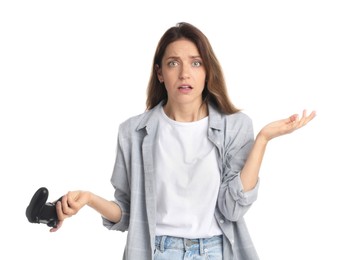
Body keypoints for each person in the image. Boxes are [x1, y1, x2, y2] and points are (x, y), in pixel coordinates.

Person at [51, 22, 316, 260]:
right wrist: (87, 199)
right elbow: (129, 214)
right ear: (160, 73)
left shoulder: (235, 126)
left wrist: (262, 140)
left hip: (216, 251)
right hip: (157, 252)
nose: (185, 73)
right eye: (173, 63)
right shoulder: (132, 132)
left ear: (207, 72)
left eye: (196, 63)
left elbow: (233, 209)